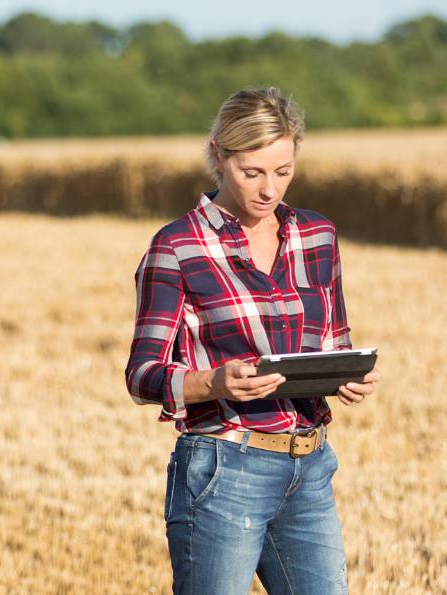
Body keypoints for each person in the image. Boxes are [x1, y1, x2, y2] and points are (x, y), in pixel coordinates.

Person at [124, 87, 383, 594]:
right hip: (223, 470)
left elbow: (333, 339)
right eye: (253, 172)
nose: (270, 189)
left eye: (283, 172)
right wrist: (213, 382)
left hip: (309, 468)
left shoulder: (317, 236)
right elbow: (141, 376)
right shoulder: (177, 246)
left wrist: (347, 375)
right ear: (219, 156)